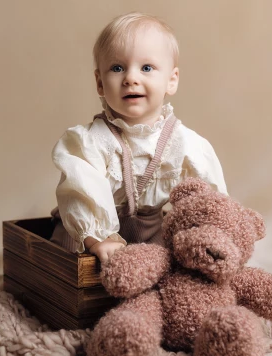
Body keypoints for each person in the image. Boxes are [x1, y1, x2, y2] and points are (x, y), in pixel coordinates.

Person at [50, 12, 228, 263]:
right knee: (72, 267)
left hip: (151, 232)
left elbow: (208, 199)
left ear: (171, 80)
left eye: (146, 68)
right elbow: (80, 190)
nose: (131, 78)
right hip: (86, 237)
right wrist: (97, 239)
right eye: (117, 68)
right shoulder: (91, 142)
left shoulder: (184, 143)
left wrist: (211, 234)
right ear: (100, 83)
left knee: (170, 270)